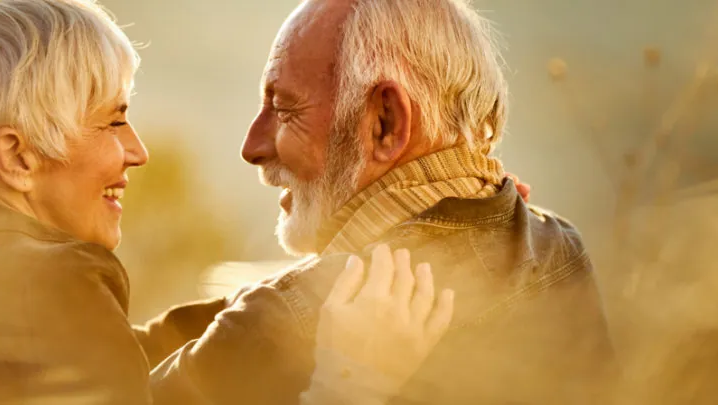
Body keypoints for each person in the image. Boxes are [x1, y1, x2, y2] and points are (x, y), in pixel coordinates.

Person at [0, 1, 454, 404]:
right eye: (113, 121)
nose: (138, 151)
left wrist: (297, 292)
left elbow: (131, 352)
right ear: (17, 157)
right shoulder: (56, 282)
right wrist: (352, 381)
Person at [146, 0, 617, 404]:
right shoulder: (559, 248)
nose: (252, 146)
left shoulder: (290, 319)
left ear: (385, 122)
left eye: (284, 108)